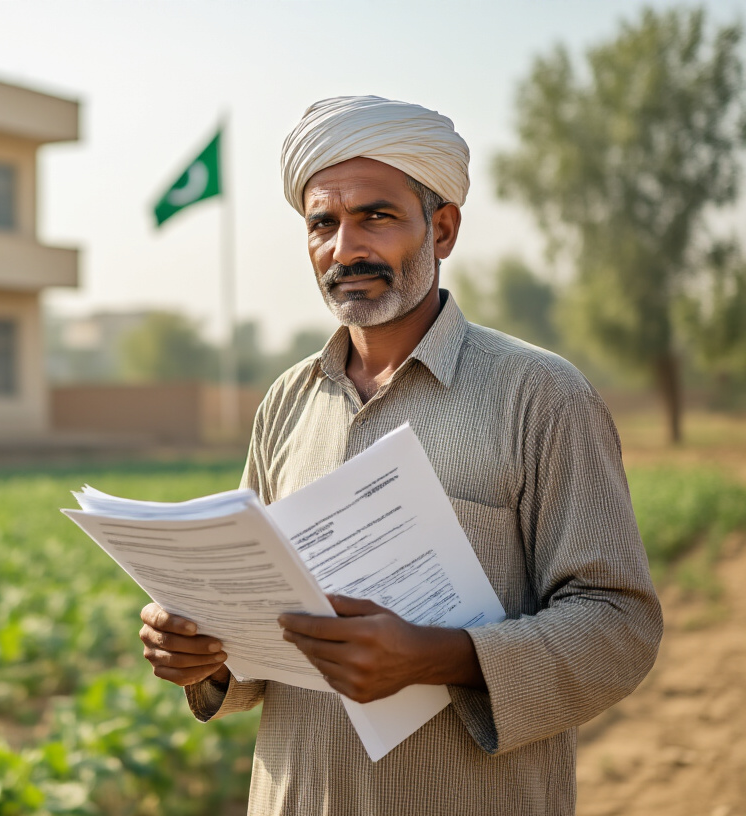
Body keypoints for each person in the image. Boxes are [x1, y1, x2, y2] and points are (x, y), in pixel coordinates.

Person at [137, 96, 663, 815]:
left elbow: (618, 625)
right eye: (323, 222)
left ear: (442, 228)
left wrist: (440, 656)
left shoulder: (540, 395)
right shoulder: (286, 402)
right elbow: (261, 634)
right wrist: (203, 651)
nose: (345, 248)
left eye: (376, 216)